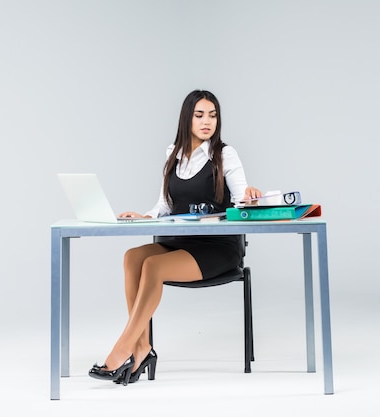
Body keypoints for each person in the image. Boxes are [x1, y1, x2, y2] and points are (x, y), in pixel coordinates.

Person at [88, 90, 262, 385]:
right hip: (179, 241)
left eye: (213, 115)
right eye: (200, 115)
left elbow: (240, 196)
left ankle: (122, 350)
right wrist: (146, 216)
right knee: (132, 257)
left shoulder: (224, 154)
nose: (207, 122)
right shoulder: (173, 154)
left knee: (153, 266)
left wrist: (248, 196)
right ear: (187, 119)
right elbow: (165, 206)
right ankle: (142, 348)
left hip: (216, 248)